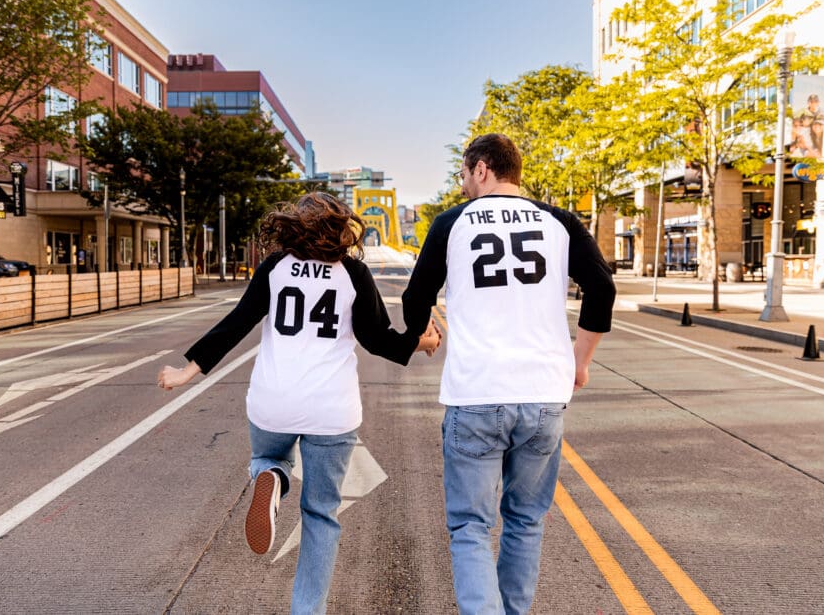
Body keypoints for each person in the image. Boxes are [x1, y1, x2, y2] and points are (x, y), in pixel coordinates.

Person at [157, 192, 440, 614]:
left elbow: (237, 323)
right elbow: (377, 338)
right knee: (322, 516)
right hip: (331, 410)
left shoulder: (274, 268)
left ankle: (271, 475)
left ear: (293, 225)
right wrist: (422, 342)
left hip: (273, 401)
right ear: (341, 229)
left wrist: (187, 371)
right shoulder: (354, 274)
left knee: (267, 458)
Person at [401, 133, 616, 614]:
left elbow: (414, 298)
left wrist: (427, 332)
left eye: (463, 173)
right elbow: (601, 286)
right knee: (525, 521)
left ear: (482, 169)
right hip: (542, 395)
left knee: (471, 528)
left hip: (476, 393)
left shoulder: (451, 224)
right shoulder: (558, 221)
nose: (461, 185)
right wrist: (580, 361)